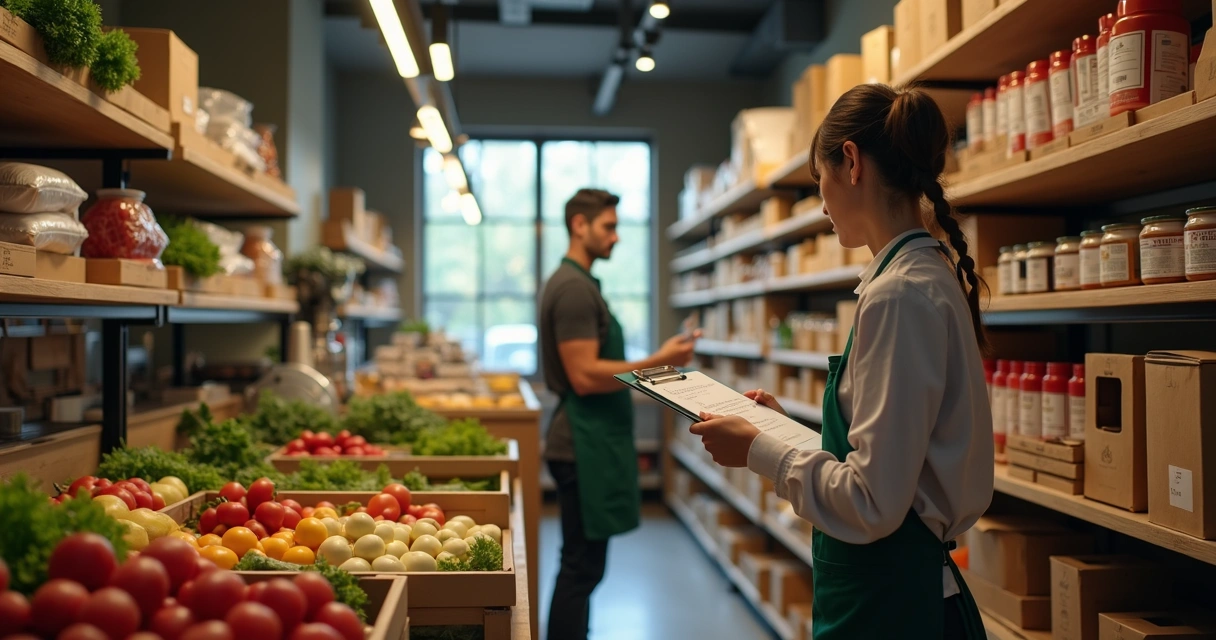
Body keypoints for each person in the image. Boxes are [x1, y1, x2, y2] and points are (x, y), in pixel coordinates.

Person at [690, 84, 993, 640]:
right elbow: (884, 461)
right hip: (897, 584)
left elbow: (869, 501)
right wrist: (782, 430)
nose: (823, 204)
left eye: (819, 181)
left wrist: (759, 452)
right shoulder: (916, 276)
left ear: (850, 162)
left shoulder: (898, 294)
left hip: (892, 604)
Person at [539, 188, 700, 640]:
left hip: (591, 440)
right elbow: (585, 375)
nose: (616, 237)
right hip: (581, 444)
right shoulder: (572, 289)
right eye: (608, 227)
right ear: (579, 226)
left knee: (584, 568)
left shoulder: (581, 283)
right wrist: (658, 360)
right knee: (580, 570)